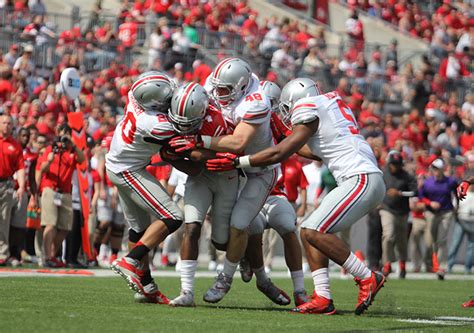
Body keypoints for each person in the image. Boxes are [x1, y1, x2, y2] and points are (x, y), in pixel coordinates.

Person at [207, 78, 386, 315]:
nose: (287, 112)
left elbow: (282, 152)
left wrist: (240, 161)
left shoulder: (307, 106)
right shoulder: (330, 103)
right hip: (364, 178)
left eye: (287, 107)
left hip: (360, 178)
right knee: (311, 230)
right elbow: (308, 150)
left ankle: (366, 277)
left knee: (313, 230)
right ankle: (322, 297)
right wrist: (276, 137)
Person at [169, 58, 287, 305]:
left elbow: (237, 144)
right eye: (216, 87)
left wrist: (200, 143)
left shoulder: (255, 102)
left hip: (257, 168)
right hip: (229, 166)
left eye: (224, 90)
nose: (217, 93)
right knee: (204, 228)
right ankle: (188, 290)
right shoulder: (213, 90)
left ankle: (226, 278)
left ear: (242, 86)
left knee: (236, 228)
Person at [106, 71, 185, 304]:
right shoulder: (154, 123)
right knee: (173, 216)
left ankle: (147, 287)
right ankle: (130, 260)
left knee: (138, 229)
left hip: (120, 164)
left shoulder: (135, 96)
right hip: (128, 170)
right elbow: (184, 127)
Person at [166, 83, 239, 307]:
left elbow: (214, 156)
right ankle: (186, 290)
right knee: (192, 226)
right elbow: (193, 167)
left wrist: (189, 149)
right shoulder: (175, 114)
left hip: (225, 176)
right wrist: (171, 156)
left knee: (220, 242)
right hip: (200, 178)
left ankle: (245, 254)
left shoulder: (216, 121)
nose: (182, 127)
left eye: (188, 124)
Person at [36, 124, 85, 268]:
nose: (63, 139)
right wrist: (49, 160)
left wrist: (73, 145)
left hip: (65, 192)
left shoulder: (72, 151)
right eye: (62, 135)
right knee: (50, 224)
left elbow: (82, 160)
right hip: (50, 189)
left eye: (67, 135)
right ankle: (47, 257)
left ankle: (52, 254)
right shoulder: (50, 150)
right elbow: (41, 169)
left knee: (65, 227)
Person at [380, 151, 417, 278]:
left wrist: (401, 193)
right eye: (393, 164)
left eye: (397, 164)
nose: (394, 166)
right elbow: (376, 188)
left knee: (401, 240)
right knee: (388, 235)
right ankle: (387, 264)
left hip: (402, 211)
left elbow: (415, 192)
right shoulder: (383, 174)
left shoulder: (406, 176)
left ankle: (402, 264)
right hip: (387, 209)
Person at [419, 158, 458, 280]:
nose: (436, 171)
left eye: (438, 169)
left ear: (442, 169)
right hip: (431, 213)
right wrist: (430, 203)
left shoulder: (450, 181)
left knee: (442, 239)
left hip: (445, 212)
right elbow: (421, 196)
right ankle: (431, 262)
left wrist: (456, 205)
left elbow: (457, 193)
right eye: (434, 168)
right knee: (430, 241)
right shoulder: (427, 183)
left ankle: (442, 267)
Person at [0, 115, 26, 265]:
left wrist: (21, 186)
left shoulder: (15, 145)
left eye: (9, 123)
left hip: (5, 185)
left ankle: (2, 254)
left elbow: (20, 168)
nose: (7, 126)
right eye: (4, 123)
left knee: (4, 220)